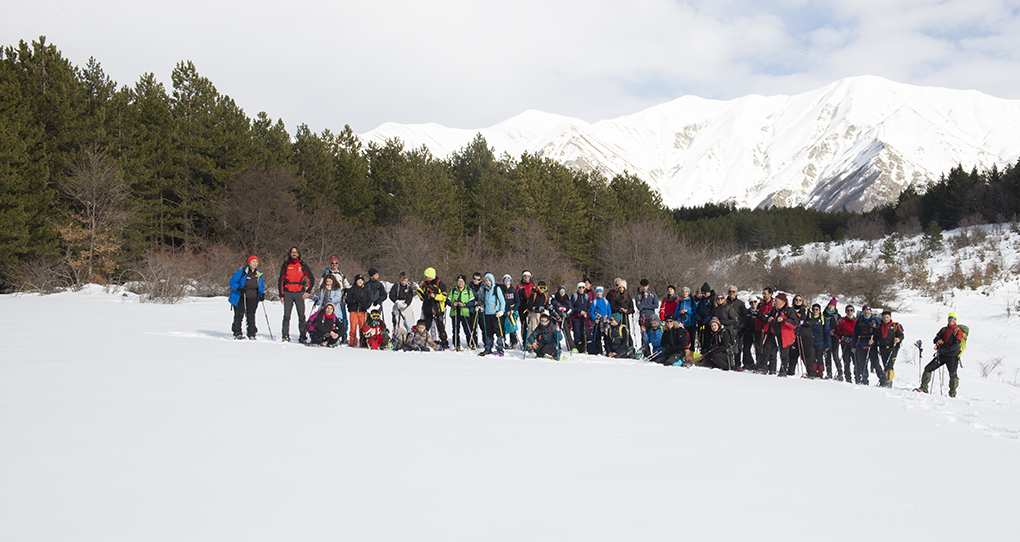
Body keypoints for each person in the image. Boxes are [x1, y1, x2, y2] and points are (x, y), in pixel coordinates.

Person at [917, 313, 965, 397]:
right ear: (948, 319)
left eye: (953, 318)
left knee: (953, 374)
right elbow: (935, 339)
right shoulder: (943, 329)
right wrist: (938, 341)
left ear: (956, 320)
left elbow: (955, 346)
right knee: (928, 368)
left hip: (952, 356)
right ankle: (923, 387)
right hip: (942, 355)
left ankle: (952, 393)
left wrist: (942, 350)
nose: (951, 319)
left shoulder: (958, 331)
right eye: (950, 318)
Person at [278, 246, 314, 343]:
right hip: (288, 293)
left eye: (296, 252)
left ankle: (302, 336)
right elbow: (281, 280)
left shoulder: (302, 265)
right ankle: (285, 335)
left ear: (298, 254)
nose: (294, 254)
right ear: (290, 253)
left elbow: (311, 278)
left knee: (301, 316)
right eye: (292, 252)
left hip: (299, 293)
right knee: (286, 316)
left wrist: (308, 291)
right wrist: (281, 295)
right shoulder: (286, 265)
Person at [229, 255, 265, 340]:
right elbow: (232, 281)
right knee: (239, 314)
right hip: (241, 296)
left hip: (253, 297)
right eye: (253, 261)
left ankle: (251, 333)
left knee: (251, 315)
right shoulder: (242, 272)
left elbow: (261, 286)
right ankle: (237, 332)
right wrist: (238, 288)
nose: (254, 263)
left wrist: (262, 294)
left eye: (256, 262)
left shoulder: (258, 274)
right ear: (249, 263)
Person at [416, 267, 449, 349]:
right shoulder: (425, 284)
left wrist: (436, 296)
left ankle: (444, 342)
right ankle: (422, 341)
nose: (425, 278)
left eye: (426, 276)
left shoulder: (439, 284)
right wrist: (418, 291)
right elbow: (423, 297)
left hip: (437, 309)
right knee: (426, 326)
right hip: (427, 309)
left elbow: (444, 296)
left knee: (440, 327)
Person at [477, 272, 507, 356]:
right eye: (486, 280)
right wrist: (482, 307)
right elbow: (484, 301)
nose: (487, 282)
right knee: (489, 332)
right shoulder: (485, 289)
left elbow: (502, 301)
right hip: (487, 314)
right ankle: (488, 347)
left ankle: (500, 348)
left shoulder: (496, 289)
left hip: (496, 314)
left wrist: (501, 310)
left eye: (489, 280)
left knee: (498, 331)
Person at [851, 305, 882, 386]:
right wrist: (853, 346)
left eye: (868, 310)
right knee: (862, 364)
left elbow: (879, 333)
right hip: (861, 345)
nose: (866, 312)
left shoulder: (875, 320)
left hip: (872, 346)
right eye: (865, 310)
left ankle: (882, 379)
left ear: (870, 311)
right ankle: (864, 380)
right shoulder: (859, 321)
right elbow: (855, 334)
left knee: (875, 363)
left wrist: (874, 340)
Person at [311, 274, 347, 342]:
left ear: (333, 281)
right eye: (327, 281)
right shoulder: (323, 289)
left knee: (332, 324)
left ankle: (333, 338)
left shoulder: (337, 289)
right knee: (321, 324)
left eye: (330, 281)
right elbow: (320, 299)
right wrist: (317, 300)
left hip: (333, 310)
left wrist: (331, 300)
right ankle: (321, 337)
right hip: (323, 310)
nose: (328, 283)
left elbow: (338, 298)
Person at [770, 293, 798, 376]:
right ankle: (772, 368)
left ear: (782, 302)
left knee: (784, 355)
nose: (775, 302)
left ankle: (783, 370)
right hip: (775, 334)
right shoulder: (775, 310)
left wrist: (784, 320)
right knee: (772, 352)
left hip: (786, 336)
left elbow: (795, 323)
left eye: (776, 301)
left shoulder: (789, 310)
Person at [876, 310, 904, 388]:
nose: (885, 319)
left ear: (890, 317)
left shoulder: (895, 326)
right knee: (885, 365)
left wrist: (898, 339)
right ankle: (885, 380)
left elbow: (901, 335)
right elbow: (876, 337)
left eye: (887, 317)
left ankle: (889, 381)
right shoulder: (879, 327)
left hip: (893, 348)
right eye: (884, 317)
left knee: (890, 365)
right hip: (882, 349)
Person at [448, 275, 476, 351]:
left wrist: (464, 304)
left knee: (467, 329)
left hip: (465, 312)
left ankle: (470, 343)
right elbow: (448, 300)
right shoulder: (454, 290)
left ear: (464, 282)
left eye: (462, 281)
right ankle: (456, 344)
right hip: (455, 312)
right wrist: (452, 303)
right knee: (456, 329)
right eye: (459, 281)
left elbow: (472, 302)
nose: (460, 283)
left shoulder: (468, 290)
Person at [788, 295, 813, 376]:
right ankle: (790, 371)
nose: (798, 301)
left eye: (800, 300)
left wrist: (802, 323)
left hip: (805, 336)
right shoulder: (790, 310)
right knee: (793, 355)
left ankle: (810, 372)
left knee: (807, 356)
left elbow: (811, 321)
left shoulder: (806, 310)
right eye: (796, 300)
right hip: (794, 335)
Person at [345, 274, 372, 347]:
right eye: (358, 280)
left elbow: (370, 299)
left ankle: (362, 342)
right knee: (353, 326)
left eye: (361, 280)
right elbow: (347, 300)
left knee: (362, 327)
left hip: (363, 311)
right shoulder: (352, 289)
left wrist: (367, 306)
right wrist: (354, 301)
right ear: (356, 281)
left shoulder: (365, 289)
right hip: (354, 310)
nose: (360, 282)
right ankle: (353, 341)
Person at [754, 288, 777, 373]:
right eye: (763, 293)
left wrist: (766, 316)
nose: (763, 295)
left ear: (770, 294)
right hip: (760, 328)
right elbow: (758, 314)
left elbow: (772, 315)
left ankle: (772, 368)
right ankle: (760, 365)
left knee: (771, 349)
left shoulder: (774, 304)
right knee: (760, 348)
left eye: (765, 294)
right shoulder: (761, 304)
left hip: (770, 329)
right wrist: (763, 316)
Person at [821, 298, 843, 380]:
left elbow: (840, 328)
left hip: (835, 338)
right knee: (827, 355)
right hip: (826, 338)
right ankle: (829, 373)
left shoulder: (838, 316)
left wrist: (835, 332)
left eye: (833, 306)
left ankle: (840, 372)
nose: (831, 307)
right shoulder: (823, 315)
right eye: (830, 305)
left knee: (835, 355)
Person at [568, 282, 591, 354]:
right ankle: (578, 347)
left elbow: (589, 307)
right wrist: (580, 311)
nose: (581, 289)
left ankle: (585, 347)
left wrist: (586, 312)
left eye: (583, 287)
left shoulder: (586, 296)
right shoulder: (574, 296)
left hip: (584, 318)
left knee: (584, 332)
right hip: (576, 317)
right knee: (577, 333)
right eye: (580, 287)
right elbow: (571, 307)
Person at [835, 305, 857, 382]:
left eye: (851, 310)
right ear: (845, 311)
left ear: (853, 311)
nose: (849, 312)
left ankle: (857, 378)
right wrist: (842, 337)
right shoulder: (842, 320)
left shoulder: (856, 321)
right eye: (848, 310)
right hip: (844, 343)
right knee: (846, 361)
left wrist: (854, 339)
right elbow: (836, 331)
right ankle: (848, 378)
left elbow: (859, 332)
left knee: (856, 362)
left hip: (853, 344)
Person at [807, 304, 830, 378]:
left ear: (819, 310)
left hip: (820, 342)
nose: (815, 311)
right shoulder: (810, 318)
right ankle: (813, 372)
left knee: (819, 358)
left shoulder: (823, 319)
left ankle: (820, 372)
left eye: (817, 309)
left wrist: (828, 343)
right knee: (812, 357)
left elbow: (827, 331)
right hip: (811, 341)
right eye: (813, 309)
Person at [499, 274, 520, 349]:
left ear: (510, 281)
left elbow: (517, 302)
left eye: (508, 280)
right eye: (505, 280)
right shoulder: (501, 289)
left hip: (511, 311)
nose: (507, 281)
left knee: (512, 327)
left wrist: (513, 310)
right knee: (502, 326)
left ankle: (513, 342)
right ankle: (503, 341)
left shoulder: (513, 290)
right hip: (503, 310)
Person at [516, 271, 535, 343]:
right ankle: (525, 341)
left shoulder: (533, 285)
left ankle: (532, 341)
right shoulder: (520, 285)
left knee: (532, 325)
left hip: (531, 308)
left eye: (528, 276)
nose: (526, 277)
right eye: (525, 276)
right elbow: (516, 296)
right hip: (522, 307)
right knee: (524, 325)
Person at [591, 286, 612, 355]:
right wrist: (595, 318)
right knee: (598, 336)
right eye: (598, 292)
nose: (599, 293)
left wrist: (608, 318)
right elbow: (591, 311)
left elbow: (609, 310)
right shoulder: (594, 302)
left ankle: (608, 350)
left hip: (605, 320)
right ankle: (599, 350)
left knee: (606, 336)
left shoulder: (606, 301)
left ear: (602, 292)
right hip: (598, 320)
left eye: (600, 292)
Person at [739, 299, 758, 371]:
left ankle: (758, 364)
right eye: (751, 302)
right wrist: (743, 328)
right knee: (746, 349)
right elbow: (744, 320)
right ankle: (747, 363)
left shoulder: (759, 311)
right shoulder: (747, 312)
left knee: (758, 350)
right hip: (748, 332)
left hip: (756, 332)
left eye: (755, 302)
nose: (753, 303)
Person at [468, 273, 484, 346]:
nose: (475, 281)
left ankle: (486, 342)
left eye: (477, 279)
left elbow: (485, 298)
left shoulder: (483, 287)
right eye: (474, 279)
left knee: (483, 326)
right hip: (472, 309)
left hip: (481, 309)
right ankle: (473, 342)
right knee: (473, 327)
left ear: (480, 280)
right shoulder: (469, 287)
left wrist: (479, 303)